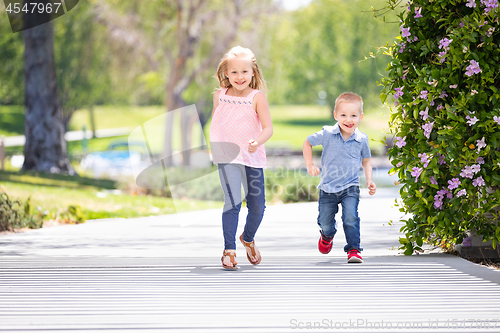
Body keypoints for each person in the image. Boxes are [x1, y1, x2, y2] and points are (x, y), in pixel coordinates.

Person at [210, 46, 273, 270]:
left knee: (258, 207)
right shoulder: (220, 96)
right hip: (227, 156)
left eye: (244, 72)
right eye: (234, 72)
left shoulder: (257, 98)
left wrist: (258, 141)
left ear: (253, 73)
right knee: (233, 202)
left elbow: (268, 128)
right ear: (226, 73)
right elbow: (217, 124)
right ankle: (229, 250)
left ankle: (247, 238)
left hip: (252, 157)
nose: (239, 77)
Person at [303, 92, 376, 263]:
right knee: (325, 221)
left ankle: (354, 250)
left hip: (350, 187)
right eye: (343, 115)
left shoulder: (362, 139)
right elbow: (308, 142)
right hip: (328, 188)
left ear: (361, 117)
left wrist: (370, 180)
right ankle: (327, 235)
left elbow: (366, 161)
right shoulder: (327, 133)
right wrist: (309, 165)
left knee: (351, 217)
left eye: (353, 115)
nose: (348, 119)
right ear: (335, 115)